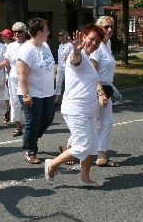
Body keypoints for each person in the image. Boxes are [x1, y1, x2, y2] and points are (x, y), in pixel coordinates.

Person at [45, 24, 108, 187]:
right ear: (83, 37)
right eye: (91, 39)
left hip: (89, 108)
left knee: (92, 145)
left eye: (98, 41)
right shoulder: (78, 56)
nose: (94, 43)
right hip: (76, 108)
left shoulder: (88, 59)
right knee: (83, 145)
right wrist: (77, 50)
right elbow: (75, 60)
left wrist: (100, 93)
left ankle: (85, 179)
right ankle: (52, 164)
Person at [16, 18, 56, 164]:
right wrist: (26, 94)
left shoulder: (45, 46)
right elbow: (22, 74)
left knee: (48, 118)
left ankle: (32, 139)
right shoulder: (27, 50)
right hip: (32, 93)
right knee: (33, 121)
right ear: (39, 33)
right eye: (46, 30)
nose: (48, 32)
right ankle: (30, 150)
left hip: (47, 92)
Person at [92, 16, 120, 167]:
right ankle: (68, 148)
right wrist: (100, 92)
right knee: (90, 123)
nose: (109, 29)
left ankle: (102, 156)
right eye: (106, 26)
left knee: (107, 122)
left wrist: (110, 90)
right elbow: (92, 73)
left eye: (112, 27)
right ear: (99, 28)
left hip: (106, 89)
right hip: (95, 90)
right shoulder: (96, 47)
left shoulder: (107, 44)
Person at [4, 22, 27, 136]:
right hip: (13, 77)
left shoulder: (29, 45)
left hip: (26, 78)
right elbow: (6, 62)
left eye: (20, 31)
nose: (17, 34)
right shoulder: (11, 46)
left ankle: (31, 125)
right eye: (15, 32)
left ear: (24, 32)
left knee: (27, 102)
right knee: (15, 102)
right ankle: (18, 127)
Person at [55, 29, 73, 106]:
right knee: (58, 83)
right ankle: (57, 99)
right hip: (60, 67)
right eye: (58, 35)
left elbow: (74, 55)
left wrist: (68, 58)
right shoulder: (60, 46)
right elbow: (59, 58)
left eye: (61, 35)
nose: (59, 37)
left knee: (68, 83)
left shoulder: (70, 45)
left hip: (68, 67)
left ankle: (69, 99)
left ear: (65, 36)